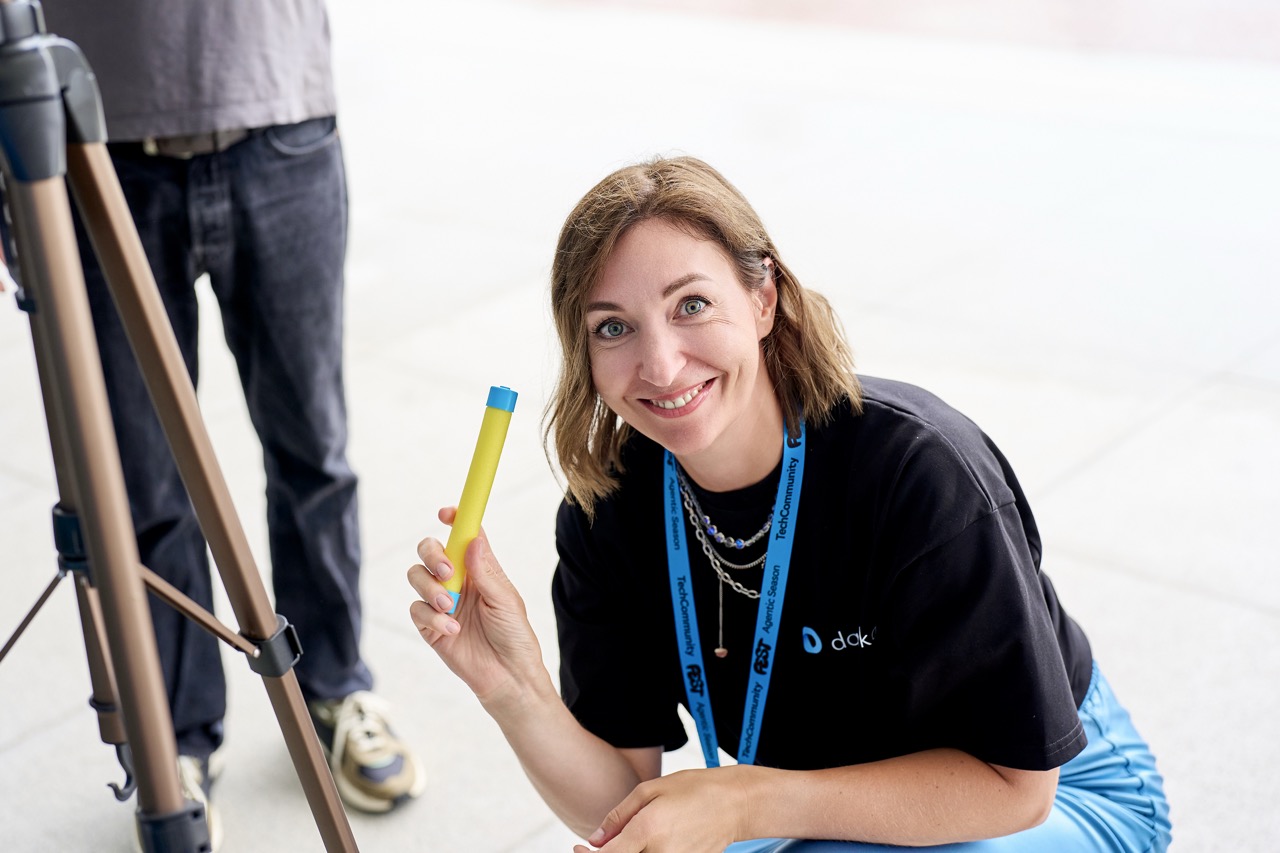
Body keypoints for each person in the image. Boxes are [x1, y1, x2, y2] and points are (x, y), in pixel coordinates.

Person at [408, 156, 1171, 852]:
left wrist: (747, 802)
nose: (661, 364)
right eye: (614, 327)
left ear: (764, 297)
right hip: (815, 809)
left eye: (691, 304)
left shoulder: (919, 470)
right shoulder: (608, 510)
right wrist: (514, 688)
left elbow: (1019, 787)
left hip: (1064, 797)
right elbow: (621, 806)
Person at [33, 1, 426, 844]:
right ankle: (176, 737)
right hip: (93, 139)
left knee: (312, 452)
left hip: (280, 123)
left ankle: (335, 686)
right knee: (143, 478)